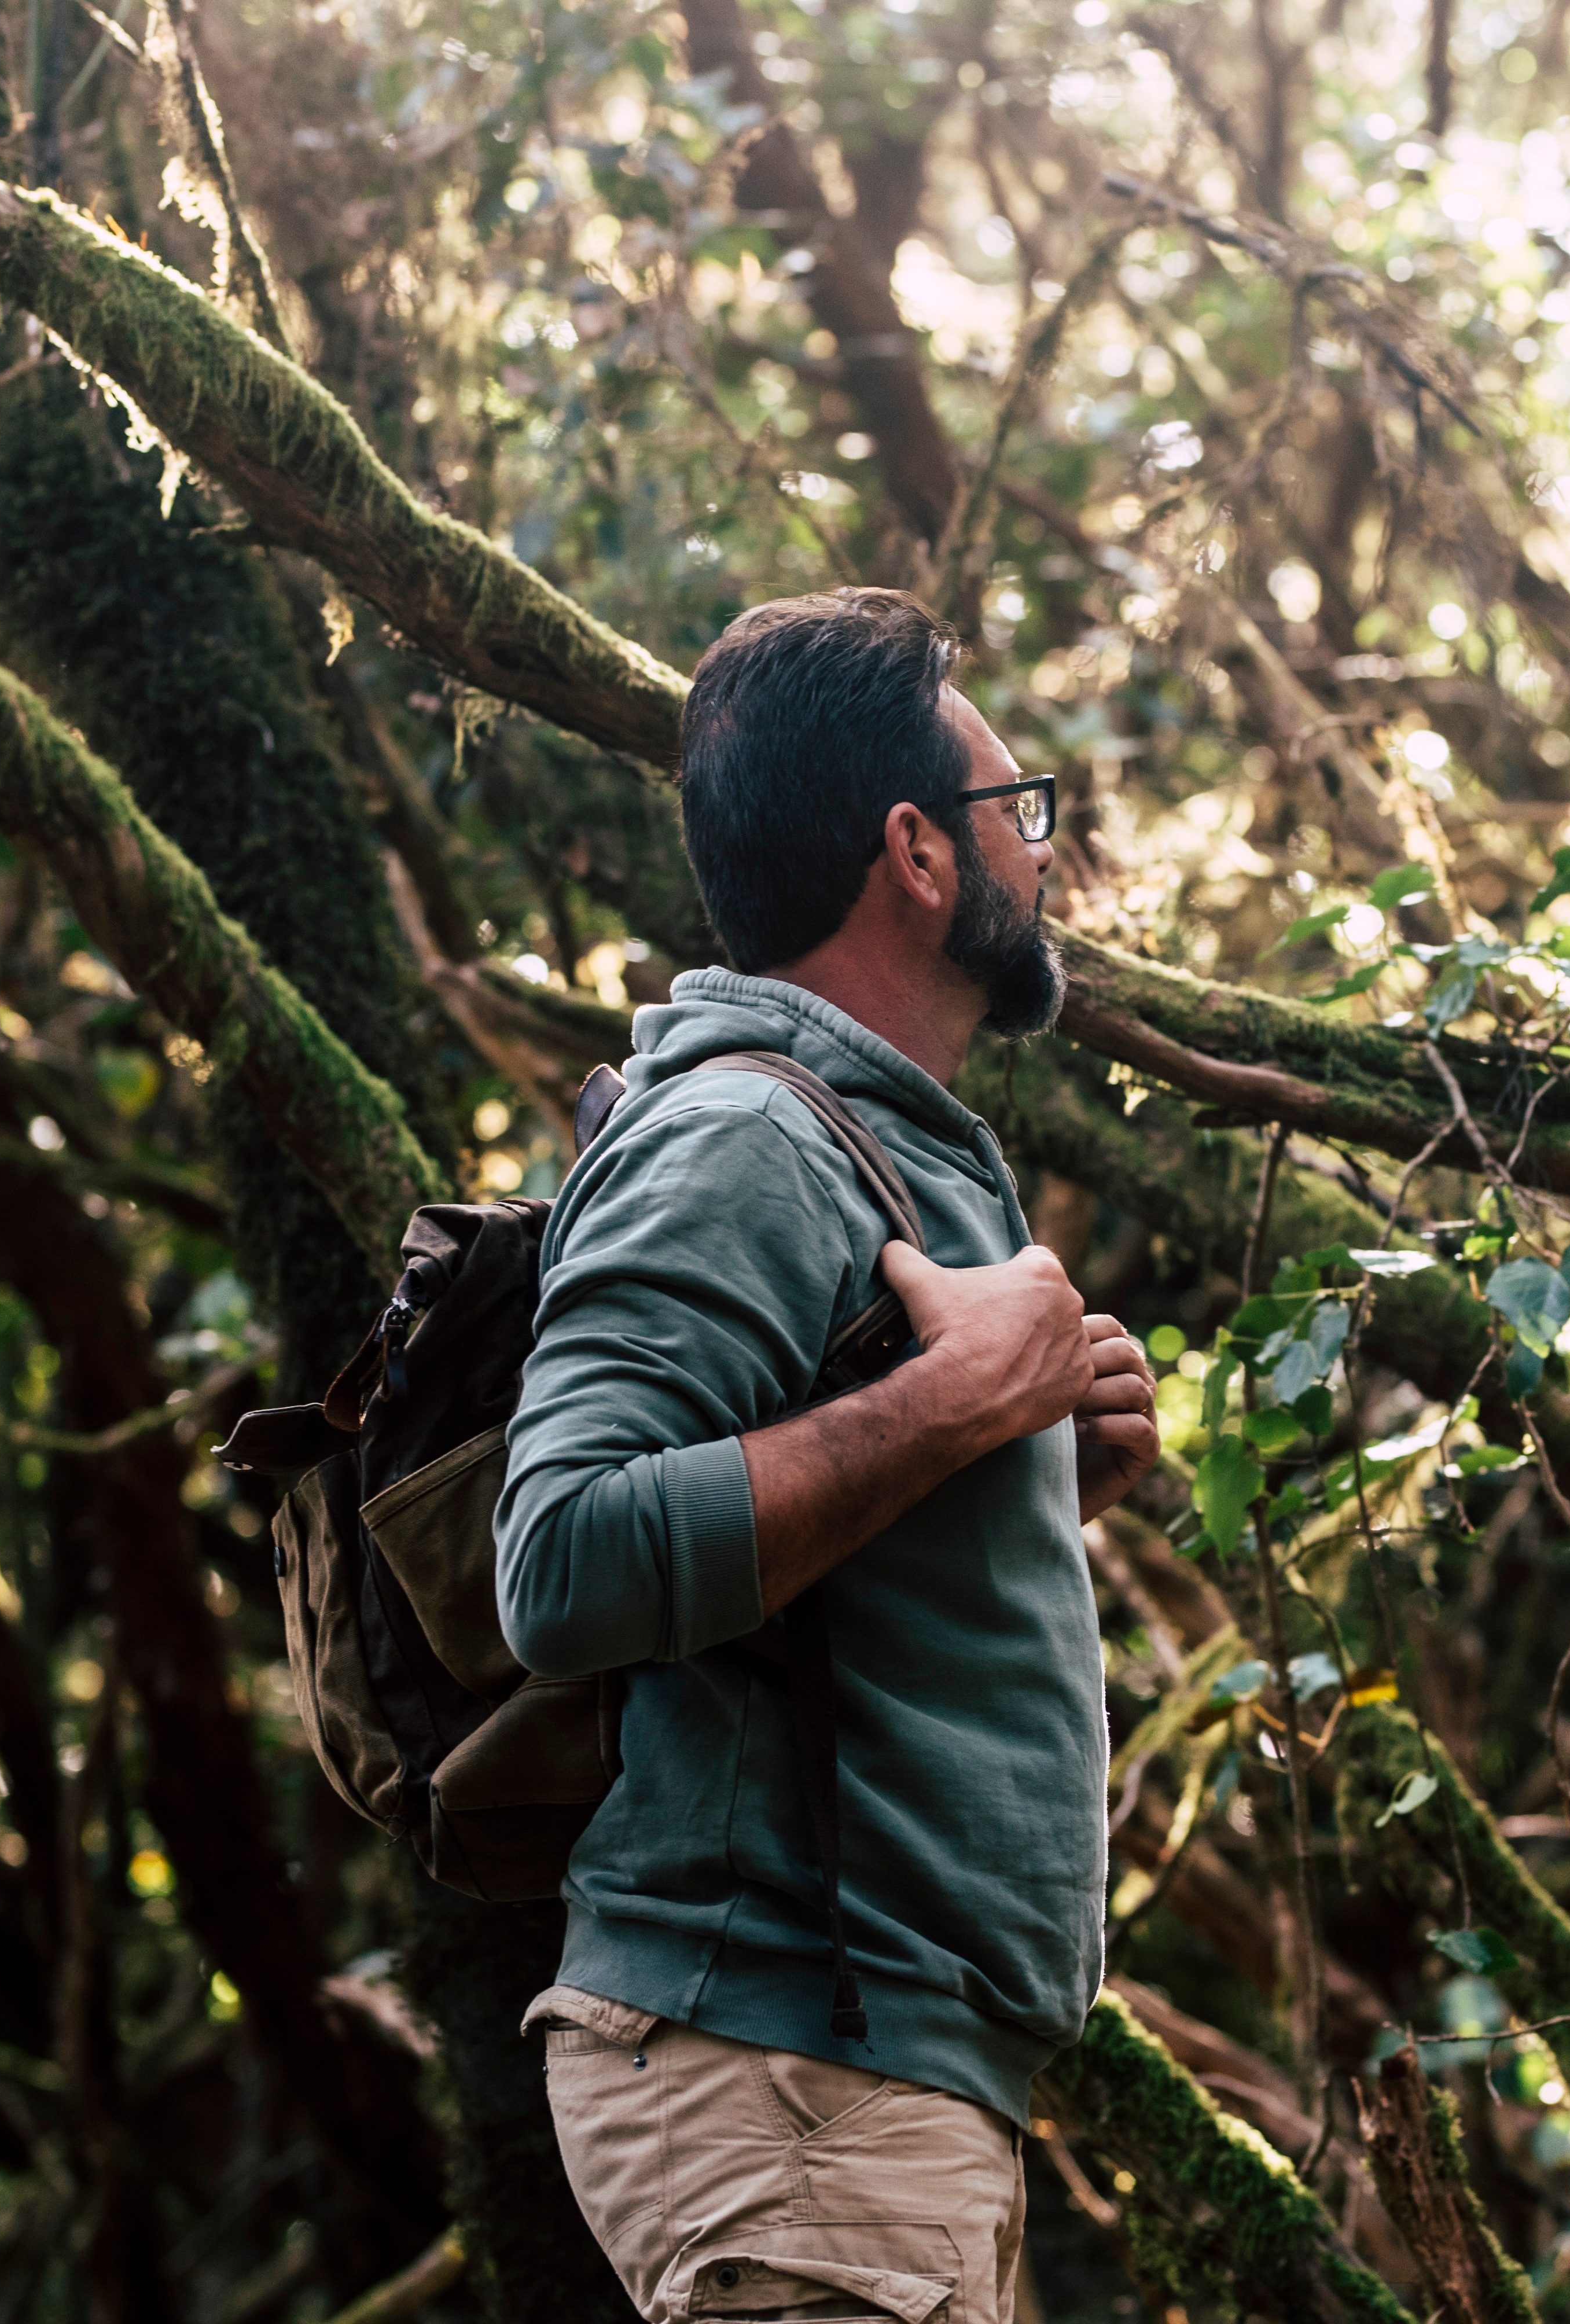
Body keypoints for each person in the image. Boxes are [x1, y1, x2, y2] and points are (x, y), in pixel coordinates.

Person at [495, 587, 1159, 2324]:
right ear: (917, 854)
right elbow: (560, 1558)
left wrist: (1025, 1486)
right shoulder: (743, 1134)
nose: (1045, 853)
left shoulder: (864, 1137)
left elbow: (809, 1566)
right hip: (791, 2081)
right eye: (1018, 810)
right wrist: (959, 1408)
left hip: (866, 2091)